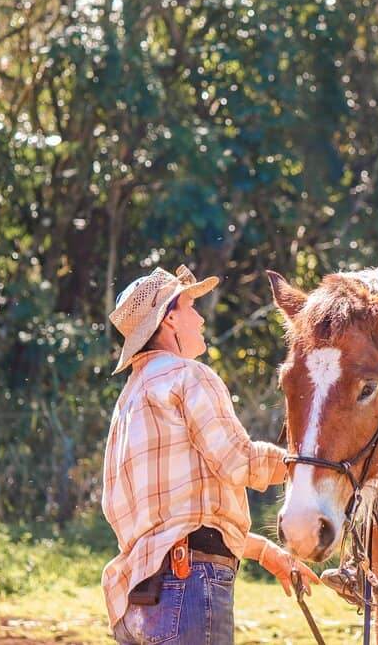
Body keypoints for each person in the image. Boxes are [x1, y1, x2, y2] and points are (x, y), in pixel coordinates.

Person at [102, 264, 318, 644]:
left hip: (136, 600)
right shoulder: (189, 376)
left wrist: (266, 552)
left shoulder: (128, 401)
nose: (200, 317)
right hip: (187, 589)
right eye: (190, 307)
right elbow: (239, 462)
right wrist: (303, 463)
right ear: (170, 318)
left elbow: (179, 523)